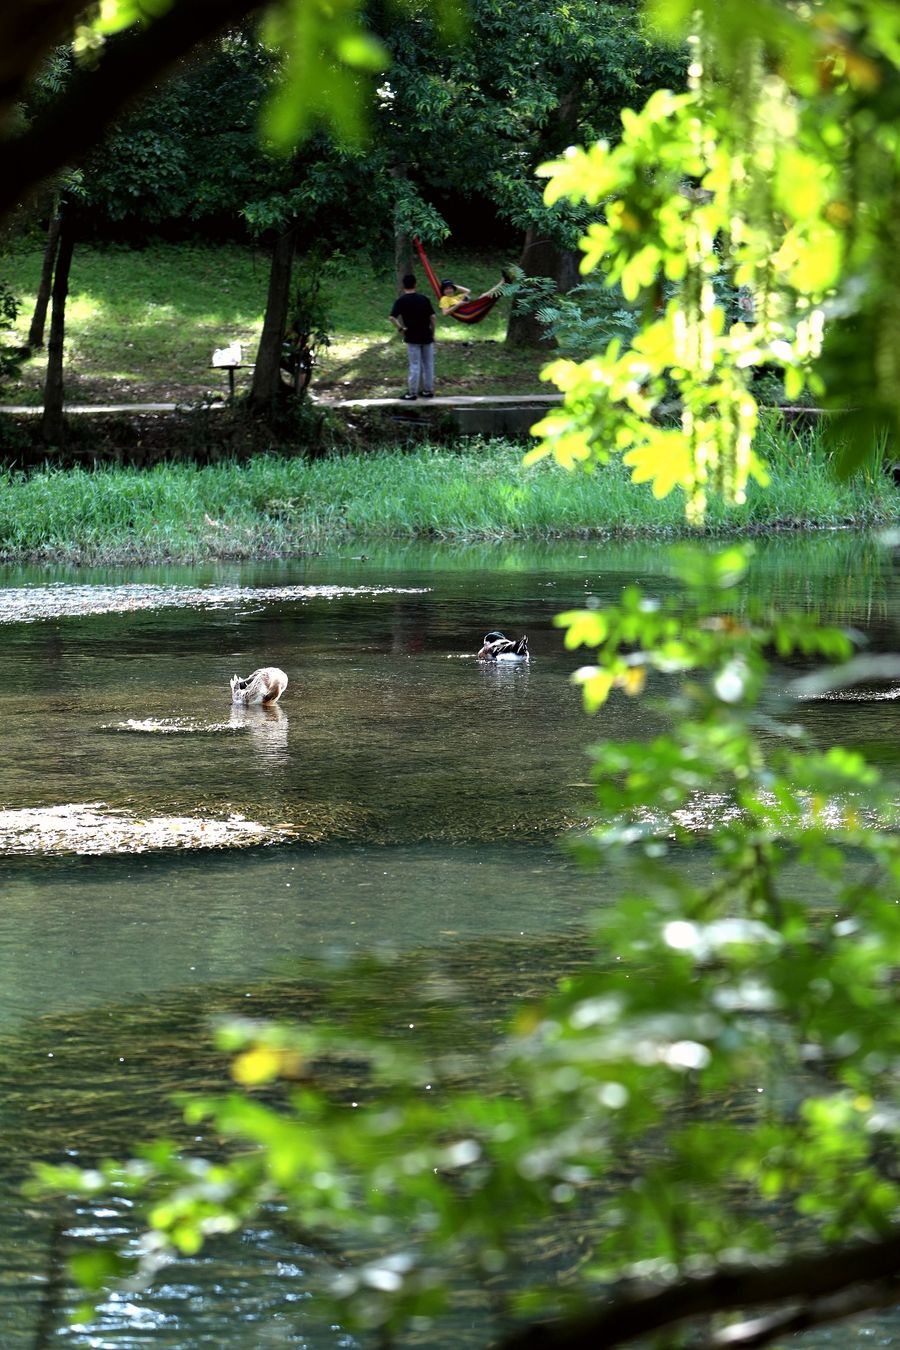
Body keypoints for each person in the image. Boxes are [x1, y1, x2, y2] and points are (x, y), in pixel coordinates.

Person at [389, 273, 436, 400]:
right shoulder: (424, 299)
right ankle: (428, 390)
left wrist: (401, 329)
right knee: (428, 364)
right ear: (415, 284)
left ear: (403, 286)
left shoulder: (401, 301)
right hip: (426, 335)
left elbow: (392, 317)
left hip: (412, 336)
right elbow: (432, 317)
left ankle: (412, 392)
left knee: (415, 365)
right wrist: (433, 333)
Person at [438, 274, 510, 316]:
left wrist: (453, 285)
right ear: (443, 291)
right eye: (446, 289)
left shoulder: (457, 297)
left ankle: (503, 283)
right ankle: (503, 283)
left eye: (450, 288)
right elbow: (445, 313)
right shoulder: (444, 299)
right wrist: (458, 305)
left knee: (484, 295)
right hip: (468, 313)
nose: (449, 290)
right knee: (484, 296)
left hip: (471, 309)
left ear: (454, 289)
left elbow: (468, 291)